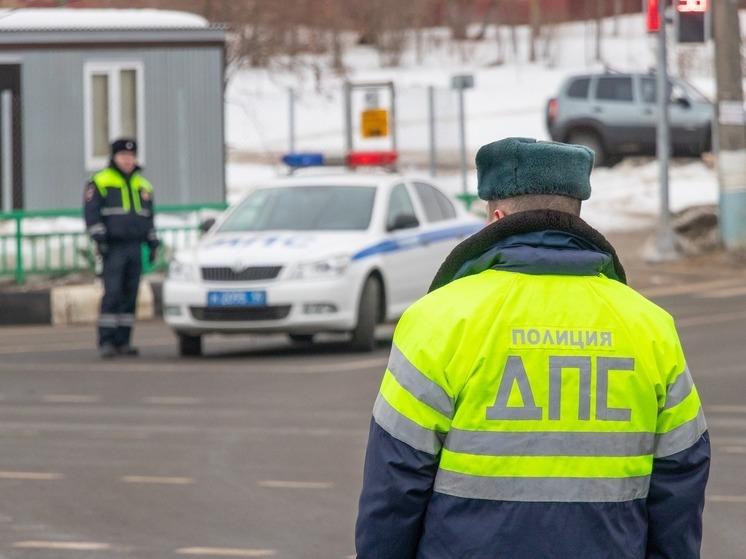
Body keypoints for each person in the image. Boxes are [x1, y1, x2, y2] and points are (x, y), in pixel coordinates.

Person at [355, 137, 710, 558]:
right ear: (576, 214)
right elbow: (681, 478)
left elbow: (394, 484)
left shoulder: (437, 320)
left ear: (497, 216)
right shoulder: (651, 328)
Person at [84, 138, 159, 359]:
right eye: (123, 156)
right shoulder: (100, 181)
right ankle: (106, 341)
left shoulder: (143, 186)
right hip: (113, 247)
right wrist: (100, 238)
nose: (128, 160)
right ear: (114, 157)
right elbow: (92, 213)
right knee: (113, 293)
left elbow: (149, 218)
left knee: (130, 294)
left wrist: (152, 242)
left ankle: (124, 341)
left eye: (131, 156)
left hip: (135, 247)